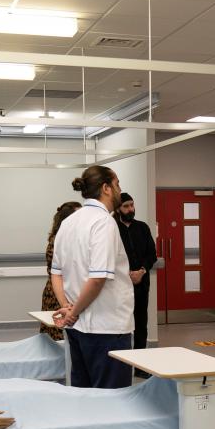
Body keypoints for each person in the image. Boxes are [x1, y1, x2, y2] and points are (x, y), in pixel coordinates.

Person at [50, 166, 134, 389]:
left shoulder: (68, 223)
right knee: (112, 400)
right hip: (106, 329)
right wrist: (73, 313)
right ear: (106, 188)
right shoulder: (103, 223)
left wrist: (67, 308)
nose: (119, 190)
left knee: (84, 396)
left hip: (78, 330)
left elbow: (56, 273)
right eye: (117, 185)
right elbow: (97, 279)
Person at [113, 192, 158, 377]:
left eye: (132, 205)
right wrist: (126, 275)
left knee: (141, 324)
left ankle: (140, 367)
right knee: (120, 326)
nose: (131, 209)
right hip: (119, 286)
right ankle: (119, 366)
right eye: (126, 206)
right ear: (117, 209)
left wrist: (141, 271)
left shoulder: (142, 228)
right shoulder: (112, 228)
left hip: (141, 284)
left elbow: (152, 255)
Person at [40, 201, 82, 342]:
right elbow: (59, 272)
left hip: (66, 290)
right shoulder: (58, 240)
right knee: (57, 335)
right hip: (58, 293)